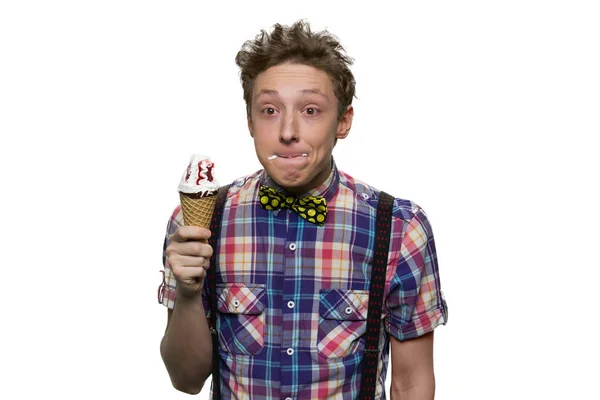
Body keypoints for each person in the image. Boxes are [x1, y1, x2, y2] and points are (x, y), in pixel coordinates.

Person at [158, 20, 448, 400]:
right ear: (249, 121)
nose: (288, 131)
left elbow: (411, 383)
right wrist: (190, 292)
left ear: (343, 121)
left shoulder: (398, 228)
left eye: (310, 110)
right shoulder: (200, 224)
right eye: (269, 110)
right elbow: (186, 379)